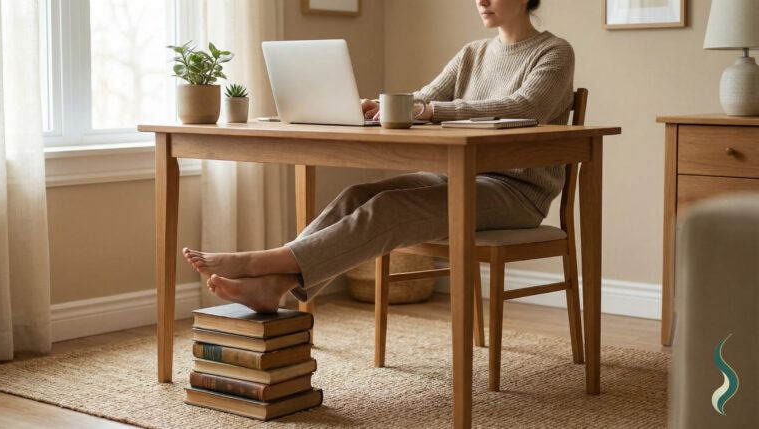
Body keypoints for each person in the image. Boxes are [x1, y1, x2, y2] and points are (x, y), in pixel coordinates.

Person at [183, 0, 575, 313]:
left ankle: (262, 262)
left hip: (517, 193)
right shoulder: (473, 53)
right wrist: (383, 106)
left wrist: (430, 112)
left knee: (390, 207)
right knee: (358, 195)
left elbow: (526, 106)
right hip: (463, 178)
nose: (481, 1)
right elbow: (425, 96)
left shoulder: (554, 51)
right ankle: (275, 286)